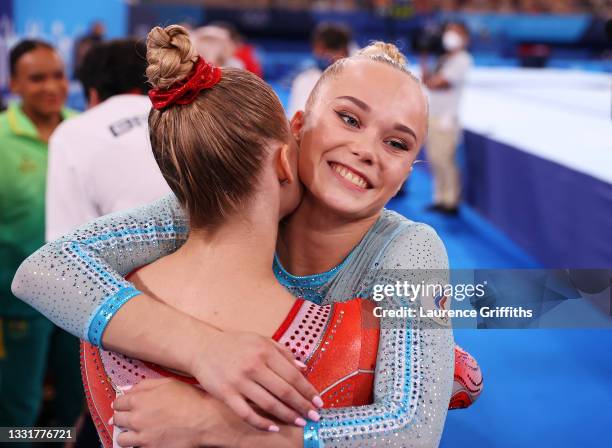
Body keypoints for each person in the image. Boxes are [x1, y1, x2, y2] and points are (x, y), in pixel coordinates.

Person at [13, 34, 467, 447]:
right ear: (298, 126)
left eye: (397, 144)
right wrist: (205, 349)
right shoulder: (233, 199)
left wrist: (222, 424)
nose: (367, 150)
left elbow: (412, 431)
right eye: (349, 119)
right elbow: (46, 269)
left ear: (410, 170)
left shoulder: (411, 249)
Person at [0, 39, 82, 429]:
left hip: (80, 297)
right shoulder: (0, 138)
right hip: (15, 302)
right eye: (37, 79)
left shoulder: (84, 132)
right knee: (20, 406)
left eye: (58, 76)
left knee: (77, 403)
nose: (51, 86)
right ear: (13, 83)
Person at [46, 39, 170, 241]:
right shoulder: (187, 116)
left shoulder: (72, 134)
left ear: (93, 95)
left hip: (125, 269)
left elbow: (65, 247)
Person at [421, 21, 473, 215]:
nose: (451, 35)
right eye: (449, 31)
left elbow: (437, 83)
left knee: (445, 160)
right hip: (433, 113)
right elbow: (426, 80)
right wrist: (424, 55)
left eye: (456, 32)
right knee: (434, 158)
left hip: (447, 118)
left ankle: (451, 201)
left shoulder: (463, 59)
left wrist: (432, 79)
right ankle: (439, 198)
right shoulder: (442, 58)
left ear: (465, 38)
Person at [287, 22, 351, 117]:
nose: (319, 54)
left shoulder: (354, 81)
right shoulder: (304, 79)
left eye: (324, 51)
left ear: (343, 51)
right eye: (317, 50)